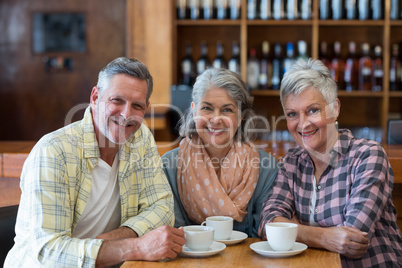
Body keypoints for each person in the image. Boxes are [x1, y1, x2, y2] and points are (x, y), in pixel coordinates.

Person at [5, 57, 185, 267]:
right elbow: (49, 253)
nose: (126, 115)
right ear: (95, 97)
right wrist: (136, 246)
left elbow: (162, 209)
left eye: (137, 105)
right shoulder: (53, 152)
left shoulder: (140, 136)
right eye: (117, 100)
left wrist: (102, 243)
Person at [259, 58, 402, 267]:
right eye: (292, 114)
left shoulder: (368, 156)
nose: (303, 123)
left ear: (335, 108)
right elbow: (267, 223)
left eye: (313, 110)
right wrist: (325, 237)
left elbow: (351, 240)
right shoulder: (290, 163)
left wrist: (292, 228)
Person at [162, 68, 278, 237]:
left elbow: (263, 235)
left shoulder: (267, 168)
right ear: (194, 110)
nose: (216, 119)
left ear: (241, 117)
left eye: (227, 110)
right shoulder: (168, 166)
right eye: (207, 108)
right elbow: (175, 234)